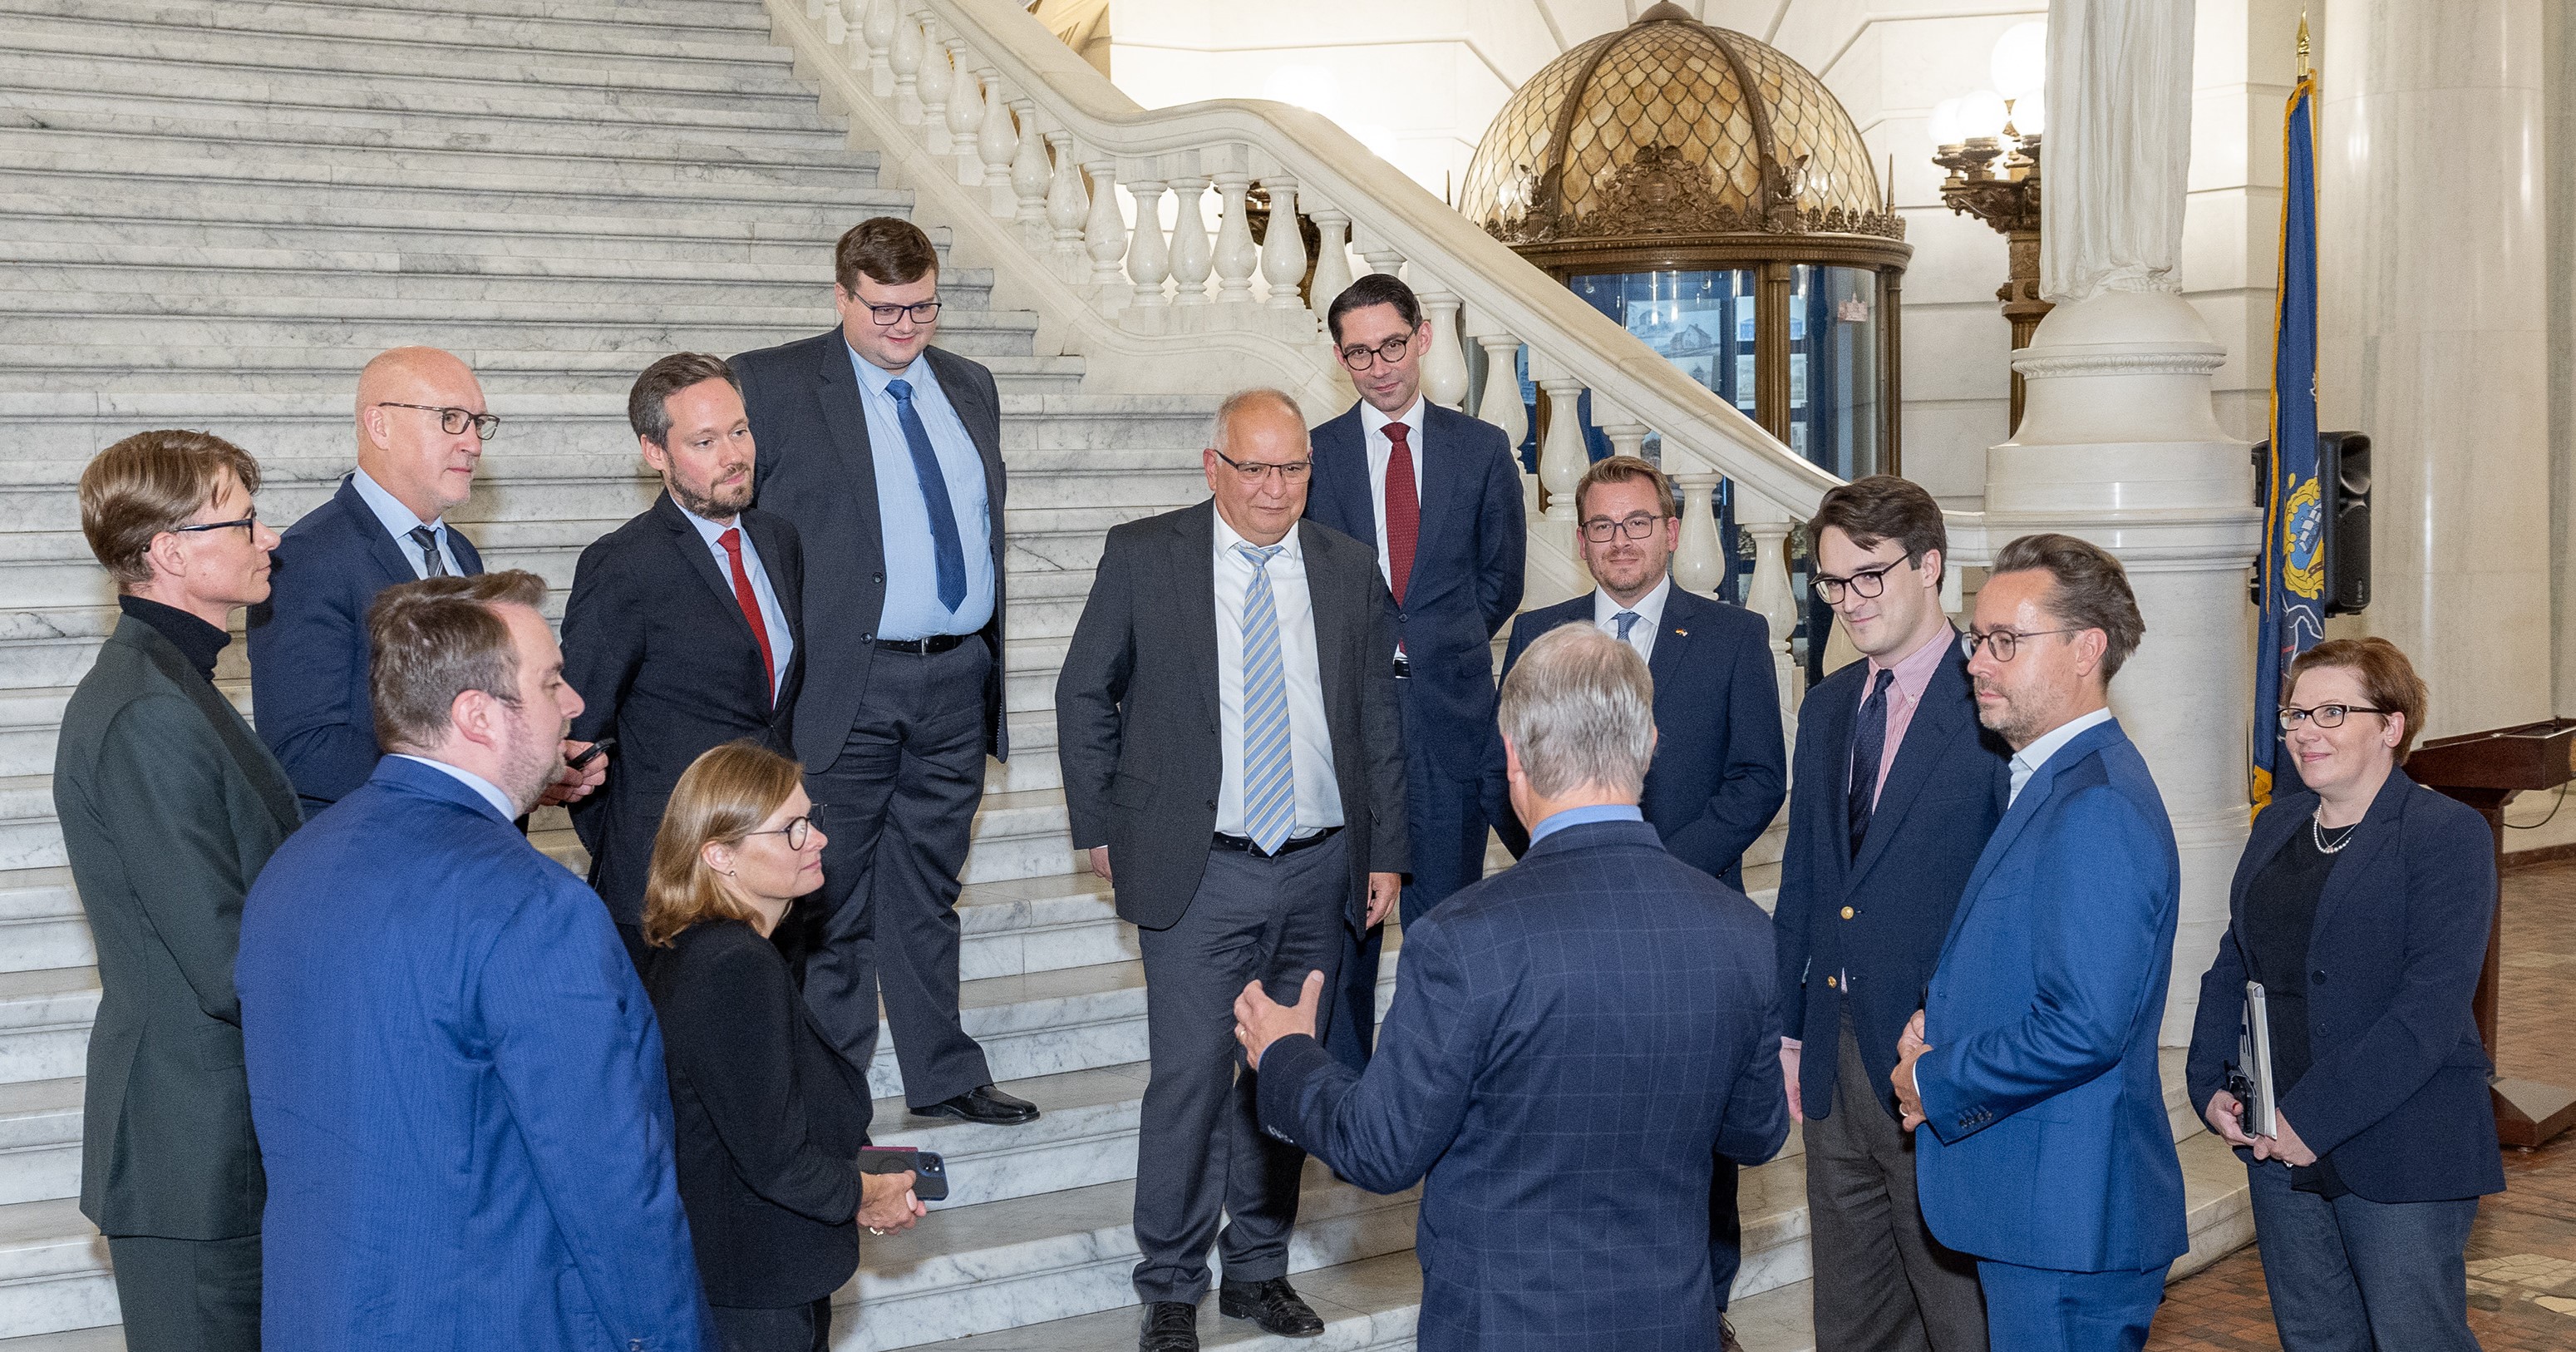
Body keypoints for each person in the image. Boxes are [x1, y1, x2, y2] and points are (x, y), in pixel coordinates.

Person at [1236, 623, 1789, 1352]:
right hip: (1669, 1325)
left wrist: (1287, 1056)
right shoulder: (1741, 932)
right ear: (1649, 744)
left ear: (1514, 758)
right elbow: (1755, 1134)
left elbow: (1381, 1148)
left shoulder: (1464, 940)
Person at [237, 571, 707, 1352]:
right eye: (552, 681)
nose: (576, 703)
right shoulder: (535, 909)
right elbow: (609, 1180)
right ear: (478, 715)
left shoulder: (292, 869)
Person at [1055, 388, 1406, 1352]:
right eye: (1252, 467)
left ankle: (1258, 1270)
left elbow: (1378, 721)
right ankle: (1171, 1283)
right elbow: (1084, 690)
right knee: (1191, 1078)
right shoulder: (1146, 555)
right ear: (1214, 467)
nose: (1272, 487)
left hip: (1320, 867)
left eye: (1290, 467)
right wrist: (1100, 821)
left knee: (1285, 1074)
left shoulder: (1346, 565)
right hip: (1196, 870)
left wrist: (1386, 854)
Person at [732, 217, 1032, 1127]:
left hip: (955, 678)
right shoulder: (776, 385)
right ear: (842, 296)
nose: (907, 328)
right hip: (846, 685)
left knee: (930, 886)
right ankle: (831, 1100)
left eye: (924, 308)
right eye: (887, 310)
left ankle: (943, 1073)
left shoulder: (969, 385)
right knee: (830, 897)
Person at [1492, 454, 1785, 1344]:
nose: (1621, 540)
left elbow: (1758, 778)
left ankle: (1710, 1303)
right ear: (1580, 540)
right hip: (1564, 923)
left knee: (1701, 1119)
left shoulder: (1734, 635)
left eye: (1638, 522)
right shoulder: (1538, 632)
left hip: (1695, 915)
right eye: (1603, 526)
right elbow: (1501, 766)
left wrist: (1652, 867)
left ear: (1670, 529)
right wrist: (1564, 863)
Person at [1890, 533, 2188, 1352]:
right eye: (1977, 639)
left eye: (2004, 642)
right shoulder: (2056, 780)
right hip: (2042, 1202)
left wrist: (1936, 1077)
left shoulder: (2095, 805)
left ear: (2086, 650)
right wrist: (1941, 1022)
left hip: (2067, 1213)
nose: (1975, 662)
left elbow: (2085, 1026)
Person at [2184, 637, 2502, 1352]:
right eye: (2295, 715)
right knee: (2315, 1337)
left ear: (2390, 726)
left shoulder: (2444, 834)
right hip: (2276, 1140)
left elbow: (2427, 1011)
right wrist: (2207, 1084)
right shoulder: (2278, 823)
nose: (2304, 731)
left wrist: (2314, 1118)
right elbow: (2232, 964)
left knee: (2414, 1337)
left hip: (2400, 1141)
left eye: (2332, 712)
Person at [53, 432, 300, 1352]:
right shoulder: (148, 709)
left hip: (220, 1147)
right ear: (168, 550)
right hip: (194, 1158)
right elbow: (227, 963)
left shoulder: (173, 684)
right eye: (243, 519)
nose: (268, 536)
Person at [1774, 475, 2007, 1352]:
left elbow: (2005, 903)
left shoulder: (1992, 702)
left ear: (1932, 566)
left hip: (1935, 1063)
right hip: (1833, 1062)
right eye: (1834, 583)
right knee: (1854, 1325)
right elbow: (1805, 880)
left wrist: (1955, 1030)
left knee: (1959, 1323)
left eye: (1869, 575)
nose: (1851, 601)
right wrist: (1789, 1031)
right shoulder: (1830, 705)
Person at [1303, 272, 1524, 1070]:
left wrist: (1437, 641)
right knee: (1347, 921)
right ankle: (1349, 1087)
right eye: (1359, 354)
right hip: (1346, 728)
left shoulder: (1482, 448)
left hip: (1449, 719)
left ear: (1422, 338)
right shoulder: (1316, 455)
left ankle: (1433, 1076)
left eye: (1391, 345)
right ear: (1340, 359)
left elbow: (1501, 579)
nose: (1379, 366)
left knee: (1442, 917)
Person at [643, 741, 928, 1352]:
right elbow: (773, 1159)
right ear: (719, 854)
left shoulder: (712, 948)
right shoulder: (731, 966)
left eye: (811, 820)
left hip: (752, 1271)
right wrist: (865, 1193)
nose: (817, 839)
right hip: (752, 1287)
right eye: (791, 829)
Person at [248, 345, 601, 815]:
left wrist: (540, 763)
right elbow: (304, 748)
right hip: (382, 858)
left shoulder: (461, 552)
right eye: (450, 418)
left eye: (478, 422)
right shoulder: (307, 559)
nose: (473, 442)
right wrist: (483, 777)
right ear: (380, 426)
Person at [566, 353, 805, 970]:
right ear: (655, 453)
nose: (733, 454)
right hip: (668, 888)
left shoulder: (779, 541)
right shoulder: (623, 566)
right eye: (704, 441)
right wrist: (646, 844)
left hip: (769, 871)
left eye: (739, 431)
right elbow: (579, 736)